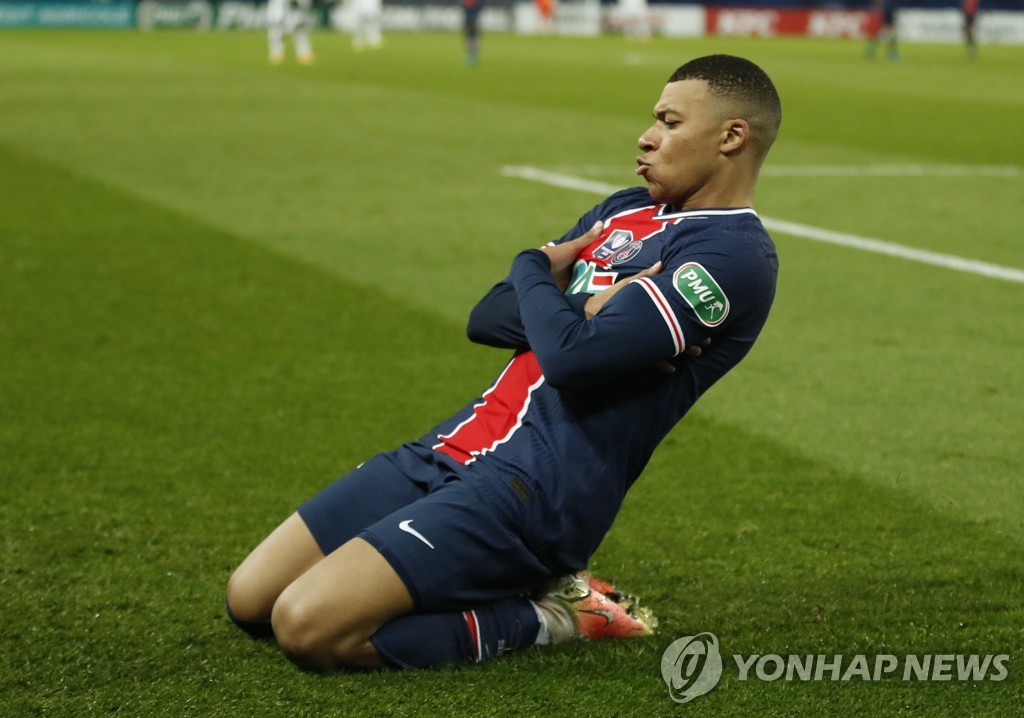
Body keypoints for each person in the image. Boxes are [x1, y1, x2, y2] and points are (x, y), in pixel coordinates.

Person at [226, 54, 782, 671]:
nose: (647, 137)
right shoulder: (627, 209)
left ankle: (555, 617)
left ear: (732, 136)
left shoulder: (732, 257)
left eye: (670, 122)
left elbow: (573, 358)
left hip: (535, 491)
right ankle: (493, 579)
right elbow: (487, 317)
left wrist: (534, 268)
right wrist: (583, 305)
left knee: (308, 627)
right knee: (249, 600)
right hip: (454, 445)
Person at [267, 0, 315, 65]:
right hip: (280, 6)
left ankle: (304, 53)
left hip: (298, 7)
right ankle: (276, 53)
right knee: (277, 29)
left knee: (301, 29)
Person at [462, 0, 483, 67]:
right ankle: (471, 53)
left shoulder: (476, 5)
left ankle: (473, 53)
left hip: (473, 19)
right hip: (470, 19)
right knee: (469, 36)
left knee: (472, 36)